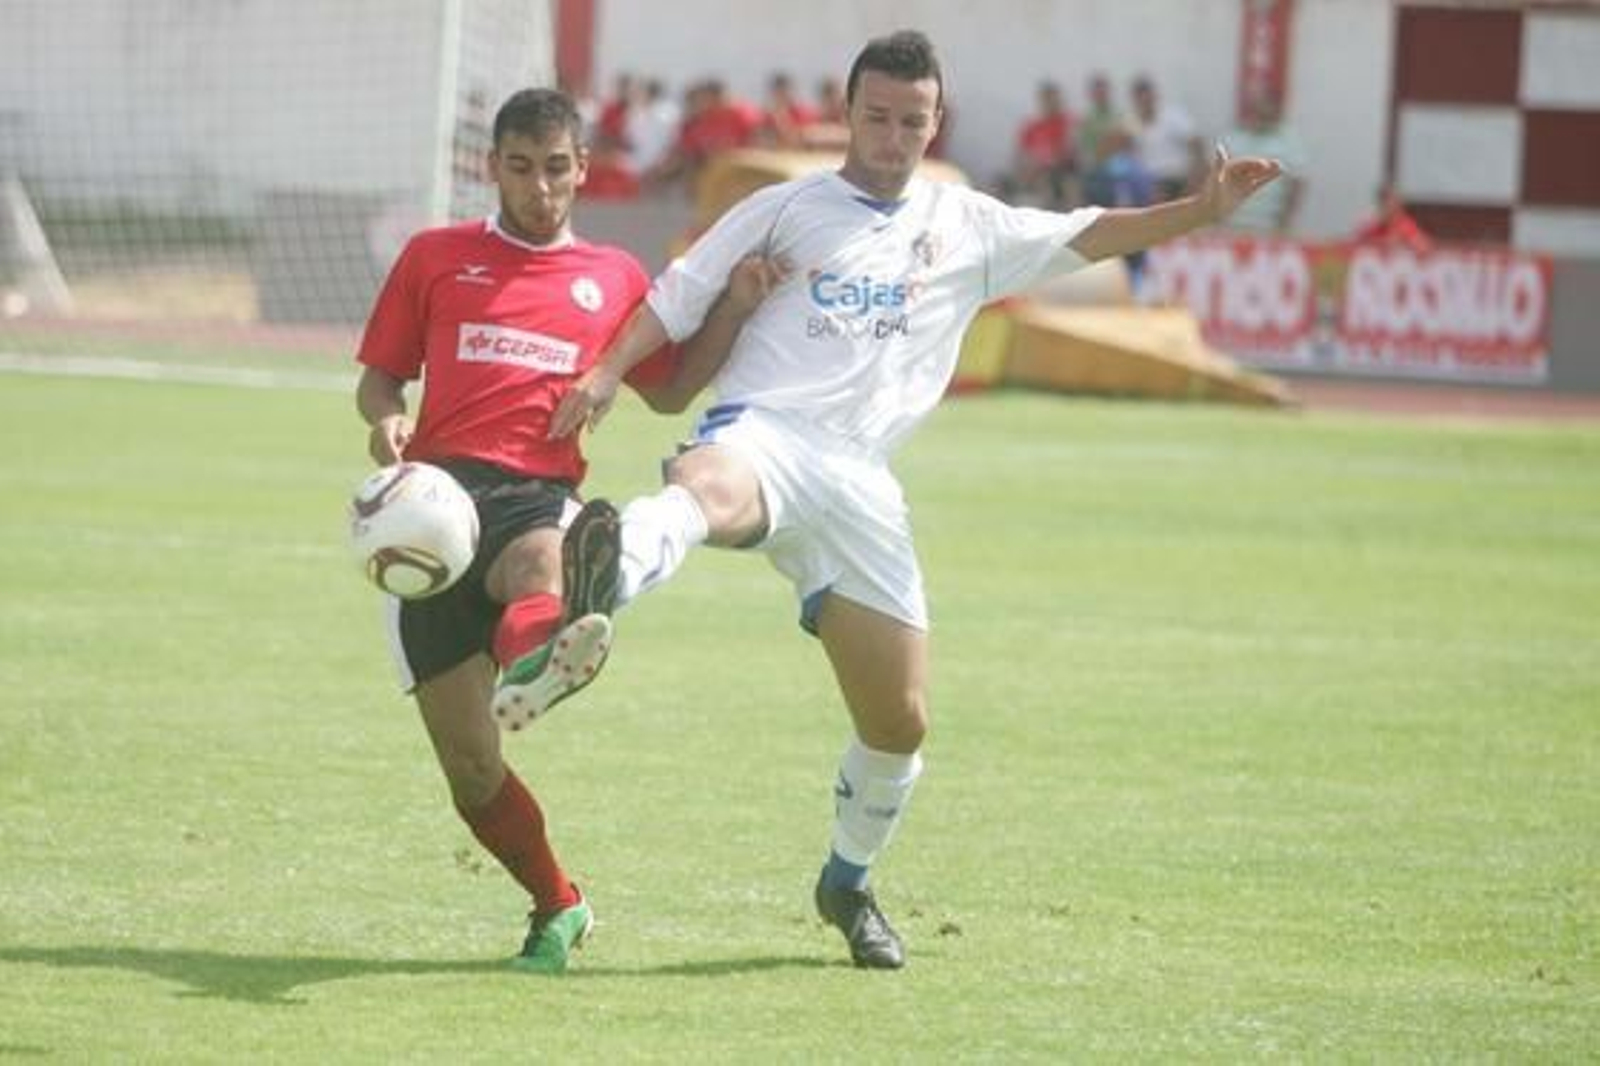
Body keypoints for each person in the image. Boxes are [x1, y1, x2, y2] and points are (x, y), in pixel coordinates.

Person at [543, 30, 1282, 971]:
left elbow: (1090, 231)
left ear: (938, 122)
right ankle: (600, 585)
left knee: (899, 723)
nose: (894, 136)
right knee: (705, 484)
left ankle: (846, 883)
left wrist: (1201, 211)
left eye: (913, 120)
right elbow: (677, 295)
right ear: (847, 114)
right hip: (767, 430)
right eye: (878, 117)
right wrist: (607, 371)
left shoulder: (966, 225)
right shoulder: (783, 207)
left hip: (864, 487)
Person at [353, 87, 779, 975]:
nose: (540, 189)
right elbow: (382, 379)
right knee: (472, 770)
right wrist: (385, 420)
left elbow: (666, 389)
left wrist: (734, 306)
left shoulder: (617, 278)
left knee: (548, 556)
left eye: (557, 169)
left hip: (535, 492)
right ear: (492, 168)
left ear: (583, 168)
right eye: (521, 168)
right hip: (433, 505)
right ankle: (560, 902)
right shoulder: (435, 258)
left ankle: (547, 646)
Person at [1221, 94, 1306, 235]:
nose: (1260, 117)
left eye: (1266, 114)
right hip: (1230, 222)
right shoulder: (1232, 137)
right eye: (1257, 112)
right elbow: (1215, 178)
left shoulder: (1288, 141)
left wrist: (1284, 222)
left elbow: (1297, 184)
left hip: (1269, 225)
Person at [999, 80, 1077, 209]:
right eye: (1046, 99)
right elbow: (1020, 154)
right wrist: (1026, 167)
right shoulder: (1031, 126)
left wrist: (1045, 164)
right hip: (1030, 170)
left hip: (1057, 171)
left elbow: (1070, 150)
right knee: (999, 183)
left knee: (1053, 182)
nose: (1050, 103)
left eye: (1053, 99)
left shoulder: (1068, 122)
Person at [1129, 74, 1204, 201]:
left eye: (1147, 96)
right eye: (1139, 97)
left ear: (1154, 95)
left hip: (1176, 177)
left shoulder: (1173, 116)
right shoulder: (1133, 122)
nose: (1144, 101)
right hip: (1149, 181)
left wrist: (1195, 177)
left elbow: (1196, 143)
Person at [1351, 182, 1432, 253]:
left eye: (1393, 202)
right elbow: (1356, 244)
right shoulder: (1372, 224)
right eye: (1384, 202)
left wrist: (1405, 242)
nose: (1389, 206)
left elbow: (1423, 247)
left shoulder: (1405, 225)